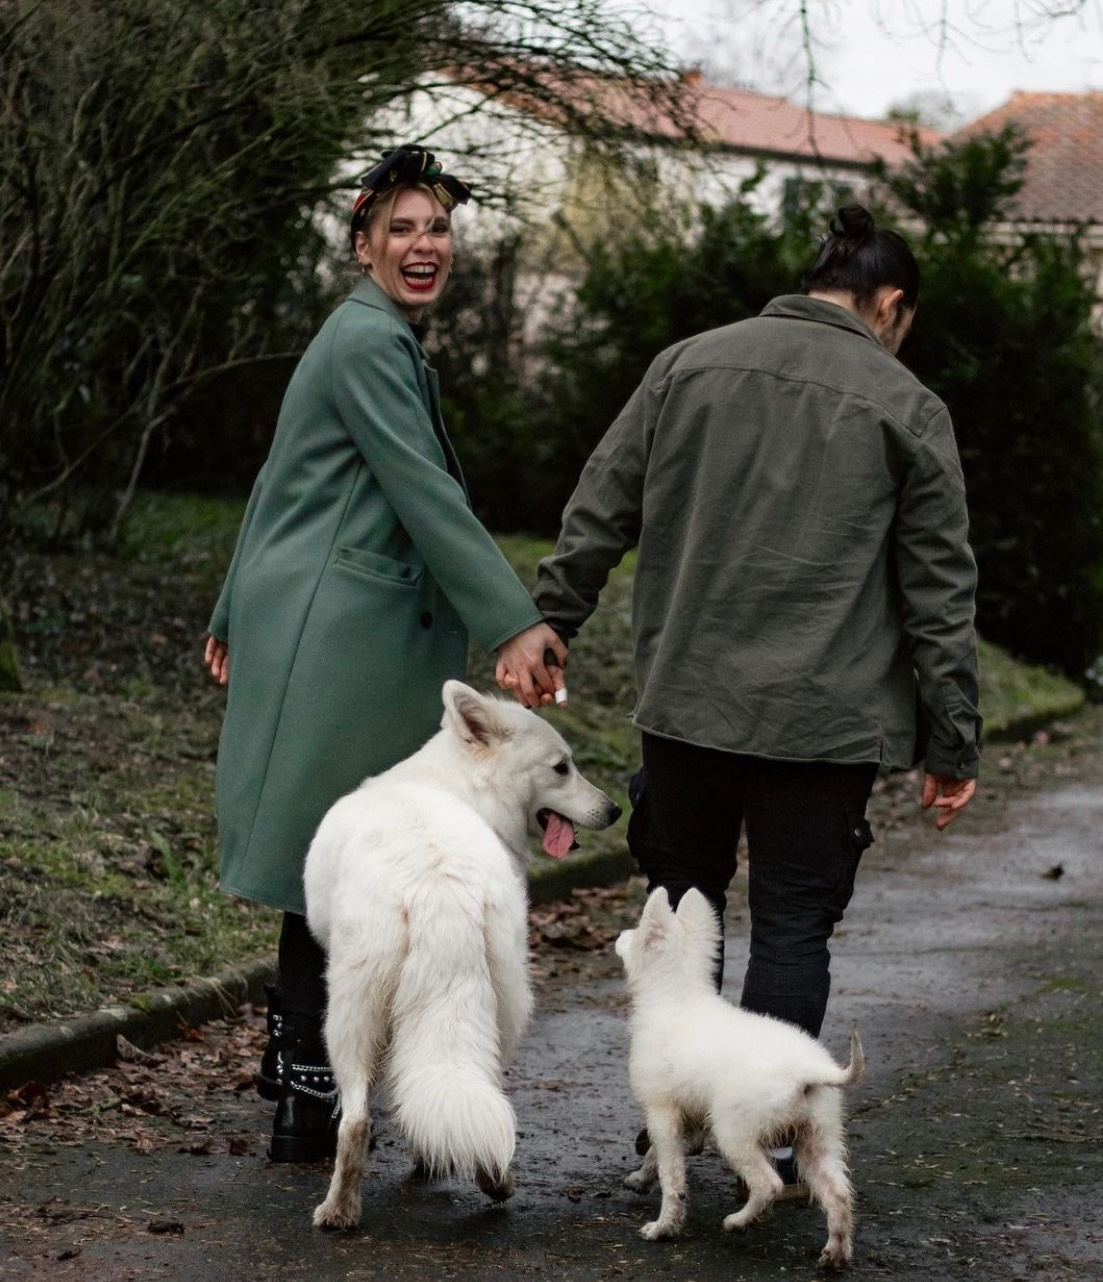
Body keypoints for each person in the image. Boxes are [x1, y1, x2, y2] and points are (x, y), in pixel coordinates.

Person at [497, 201, 980, 1178]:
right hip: (824, 724)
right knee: (794, 926)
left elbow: (602, 501)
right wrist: (951, 742)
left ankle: (672, 1124)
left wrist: (556, 620)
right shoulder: (905, 404)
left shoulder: (688, 365)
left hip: (689, 707)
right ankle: (757, 1130)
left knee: (681, 913)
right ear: (889, 302)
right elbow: (939, 588)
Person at [204, 145, 565, 1163]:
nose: (424, 245)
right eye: (402, 228)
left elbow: (279, 478)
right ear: (363, 242)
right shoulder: (368, 339)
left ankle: (306, 1091)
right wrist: (512, 621)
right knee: (341, 861)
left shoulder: (373, 337)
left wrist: (234, 604)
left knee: (331, 859)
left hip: (332, 619)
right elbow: (421, 492)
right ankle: (311, 1105)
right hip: (340, 634)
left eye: (438, 228)